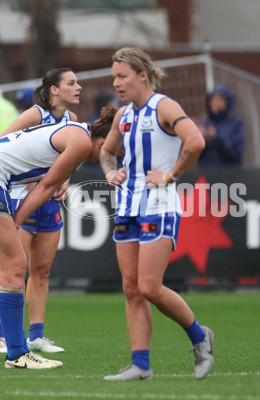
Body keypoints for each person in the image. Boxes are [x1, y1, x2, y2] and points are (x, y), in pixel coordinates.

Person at [0, 107, 114, 369]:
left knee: (15, 265)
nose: (112, 160)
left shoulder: (78, 137)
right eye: (112, 153)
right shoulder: (80, 142)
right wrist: (16, 220)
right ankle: (16, 353)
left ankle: (16, 350)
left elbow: (46, 184)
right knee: (15, 266)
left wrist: (14, 221)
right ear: (103, 141)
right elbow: (44, 187)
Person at [100, 47, 213, 381]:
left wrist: (170, 176)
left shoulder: (164, 106)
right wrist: (110, 172)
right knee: (132, 289)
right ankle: (141, 365)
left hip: (159, 205)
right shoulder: (124, 115)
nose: (117, 83)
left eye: (122, 76)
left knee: (150, 286)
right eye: (114, 77)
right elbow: (107, 152)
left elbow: (195, 142)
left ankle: (199, 336)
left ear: (142, 75)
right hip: (127, 206)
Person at [0, 68, 82, 354]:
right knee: (12, 268)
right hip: (21, 199)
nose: (78, 87)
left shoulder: (72, 121)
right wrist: (27, 178)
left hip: (49, 202)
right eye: (71, 83)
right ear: (54, 89)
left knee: (42, 270)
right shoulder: (35, 115)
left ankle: (37, 335)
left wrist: (64, 180)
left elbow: (70, 158)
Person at [195, 84, 246, 167]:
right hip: (207, 174)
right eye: (213, 100)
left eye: (219, 100)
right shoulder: (204, 122)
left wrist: (216, 139)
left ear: (227, 103)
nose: (216, 103)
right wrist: (198, 138)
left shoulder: (236, 123)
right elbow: (196, 155)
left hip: (229, 175)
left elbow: (236, 152)